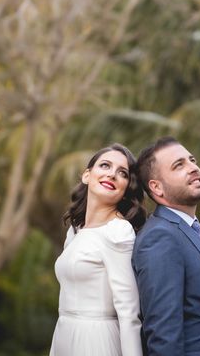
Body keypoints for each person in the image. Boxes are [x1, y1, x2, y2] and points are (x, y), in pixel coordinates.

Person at [132, 136, 200, 355]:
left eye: (192, 160)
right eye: (179, 165)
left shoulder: (190, 229)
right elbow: (163, 333)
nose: (193, 168)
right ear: (156, 187)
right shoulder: (160, 237)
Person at [50, 143, 146, 356]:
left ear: (126, 187)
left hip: (97, 341)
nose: (112, 174)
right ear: (87, 175)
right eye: (105, 166)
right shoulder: (75, 231)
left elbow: (129, 313)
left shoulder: (119, 231)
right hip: (64, 336)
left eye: (122, 173)